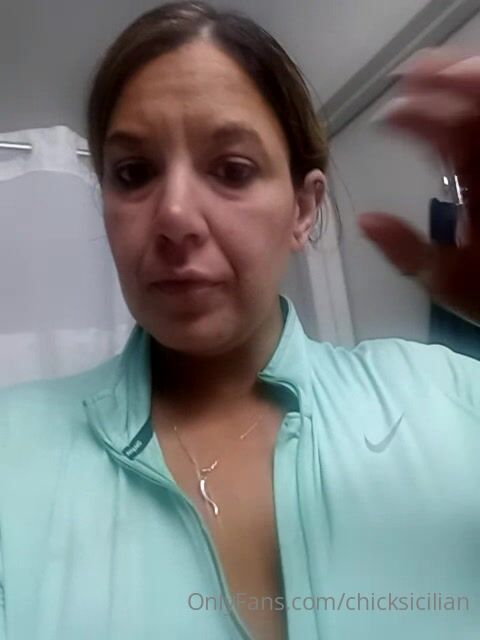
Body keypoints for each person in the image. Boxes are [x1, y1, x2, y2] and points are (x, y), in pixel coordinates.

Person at [1, 2, 479, 639]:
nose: (174, 215)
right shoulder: (11, 453)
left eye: (231, 170)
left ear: (303, 209)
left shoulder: (451, 402)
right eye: (133, 173)